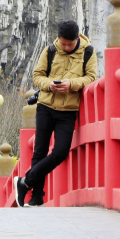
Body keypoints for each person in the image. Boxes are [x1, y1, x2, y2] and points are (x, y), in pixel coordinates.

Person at [16, 20, 98, 206]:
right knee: (40, 151)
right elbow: (38, 76)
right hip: (46, 106)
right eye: (63, 43)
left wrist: (72, 84)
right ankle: (37, 197)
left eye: (70, 44)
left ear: (77, 38)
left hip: (68, 111)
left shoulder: (88, 52)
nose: (66, 47)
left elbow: (91, 77)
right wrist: (50, 84)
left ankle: (25, 181)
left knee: (60, 152)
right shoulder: (50, 50)